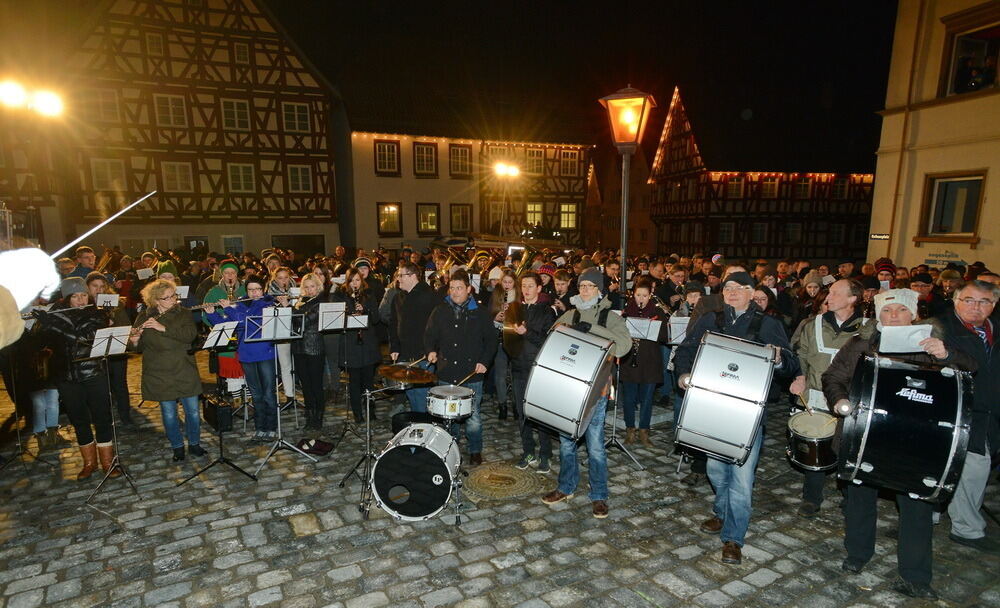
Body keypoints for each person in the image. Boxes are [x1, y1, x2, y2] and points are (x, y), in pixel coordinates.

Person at [822, 288, 975, 599]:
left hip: (916, 442)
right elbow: (833, 377)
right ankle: (858, 553)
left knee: (917, 508)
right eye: (887, 311)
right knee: (859, 499)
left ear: (913, 314)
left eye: (900, 311)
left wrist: (946, 355)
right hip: (865, 434)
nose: (893, 317)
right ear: (878, 315)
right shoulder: (862, 343)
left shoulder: (931, 344)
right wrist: (839, 402)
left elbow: (970, 370)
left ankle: (915, 575)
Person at [674, 271, 798, 565]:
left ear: (752, 292)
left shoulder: (768, 324)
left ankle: (733, 538)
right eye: (727, 287)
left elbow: (792, 363)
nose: (731, 292)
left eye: (739, 288)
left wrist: (780, 358)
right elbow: (686, 351)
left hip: (749, 413)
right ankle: (722, 512)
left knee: (741, 479)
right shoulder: (710, 319)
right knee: (716, 471)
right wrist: (682, 375)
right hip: (712, 406)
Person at [541, 267, 631, 519]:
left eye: (590, 286)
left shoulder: (610, 317)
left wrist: (591, 328)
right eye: (581, 286)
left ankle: (599, 494)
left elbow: (623, 347)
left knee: (595, 447)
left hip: (596, 391)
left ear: (599, 290)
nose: (585, 290)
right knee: (567, 444)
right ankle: (565, 487)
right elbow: (551, 340)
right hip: (569, 388)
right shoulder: (570, 313)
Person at [788, 279, 873, 517]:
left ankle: (850, 497)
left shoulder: (869, 328)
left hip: (851, 400)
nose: (828, 297)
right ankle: (811, 497)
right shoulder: (811, 324)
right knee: (815, 447)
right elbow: (801, 355)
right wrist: (799, 376)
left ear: (853, 298)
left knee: (849, 448)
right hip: (815, 395)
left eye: (836, 293)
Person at [936, 280, 1000, 554]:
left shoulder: (995, 331)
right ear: (955, 300)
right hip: (953, 410)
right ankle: (954, 524)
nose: (976, 307)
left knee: (975, 471)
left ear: (994, 305)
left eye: (984, 302)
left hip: (988, 414)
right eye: (969, 300)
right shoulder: (940, 328)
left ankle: (965, 526)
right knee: (944, 466)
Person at [34, 278, 117, 479]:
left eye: (83, 295)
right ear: (66, 298)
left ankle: (108, 462)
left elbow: (83, 337)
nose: (80, 300)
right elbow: (42, 343)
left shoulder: (97, 313)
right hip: (66, 376)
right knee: (79, 420)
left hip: (93, 373)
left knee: (101, 417)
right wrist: (42, 325)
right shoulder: (55, 316)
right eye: (75, 296)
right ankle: (89, 463)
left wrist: (53, 325)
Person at [424, 269, 497, 466]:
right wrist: (430, 350)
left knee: (473, 417)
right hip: (447, 371)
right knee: (449, 416)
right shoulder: (439, 311)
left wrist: (484, 361)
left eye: (459, 288)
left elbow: (491, 340)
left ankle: (475, 449)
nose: (455, 292)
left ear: (469, 289)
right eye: (452, 288)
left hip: (472, 374)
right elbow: (430, 335)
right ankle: (451, 447)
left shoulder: (480, 312)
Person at [130, 279, 205, 462]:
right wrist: (134, 340)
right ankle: (177, 446)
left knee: (193, 411)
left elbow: (190, 335)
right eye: (167, 297)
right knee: (169, 412)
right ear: (156, 301)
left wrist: (163, 327)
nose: (173, 300)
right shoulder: (144, 316)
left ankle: (194, 443)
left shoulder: (183, 313)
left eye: (174, 295)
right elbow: (138, 349)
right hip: (158, 371)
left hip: (183, 367)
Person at [204, 276, 285, 442]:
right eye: (251, 289)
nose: (254, 293)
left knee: (268, 393)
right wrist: (212, 314)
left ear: (263, 290)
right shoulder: (239, 304)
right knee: (255, 394)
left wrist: (229, 309)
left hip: (265, 353)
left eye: (258, 289)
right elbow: (227, 325)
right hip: (246, 355)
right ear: (246, 290)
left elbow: (248, 322)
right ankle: (260, 427)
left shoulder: (268, 304)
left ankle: (272, 427)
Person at [507, 271, 556, 472]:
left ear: (539, 288)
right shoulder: (515, 309)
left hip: (538, 368)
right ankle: (528, 450)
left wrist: (527, 332)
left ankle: (546, 453)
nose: (526, 290)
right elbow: (508, 339)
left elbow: (548, 340)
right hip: (518, 366)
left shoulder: (547, 311)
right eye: (523, 286)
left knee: (540, 413)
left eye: (530, 286)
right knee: (522, 412)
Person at [619, 279, 668, 446]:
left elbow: (664, 338)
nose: (641, 298)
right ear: (633, 295)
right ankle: (630, 430)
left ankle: (644, 432)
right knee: (629, 398)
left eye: (645, 295)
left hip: (650, 362)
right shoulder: (627, 312)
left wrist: (652, 328)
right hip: (629, 361)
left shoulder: (657, 312)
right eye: (638, 295)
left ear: (650, 296)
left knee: (647, 399)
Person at [389, 262, 438, 413]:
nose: (398, 279)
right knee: (410, 392)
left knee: (422, 394)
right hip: (405, 353)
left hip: (422, 354)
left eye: (401, 275)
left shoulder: (428, 296)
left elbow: (436, 327)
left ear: (413, 276)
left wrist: (431, 349)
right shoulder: (398, 297)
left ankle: (424, 426)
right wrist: (395, 347)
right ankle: (418, 423)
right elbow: (393, 324)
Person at [338, 268, 381, 423]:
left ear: (361, 281)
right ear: (347, 282)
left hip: (367, 343)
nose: (355, 284)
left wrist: (366, 309)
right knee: (354, 381)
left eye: (357, 280)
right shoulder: (342, 297)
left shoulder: (369, 295)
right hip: (351, 344)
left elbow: (376, 319)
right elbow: (338, 321)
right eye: (352, 281)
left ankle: (371, 410)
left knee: (369, 380)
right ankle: (357, 413)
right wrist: (349, 313)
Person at [290, 273, 326, 432]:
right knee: (305, 384)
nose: (310, 290)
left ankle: (318, 417)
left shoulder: (320, 302)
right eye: (307, 287)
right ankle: (309, 414)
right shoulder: (300, 302)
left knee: (316, 384)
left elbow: (303, 320)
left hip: (314, 347)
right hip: (298, 348)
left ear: (318, 287)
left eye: (313, 286)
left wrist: (289, 308)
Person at [488, 268, 518, 419]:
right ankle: (502, 406)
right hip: (500, 337)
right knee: (500, 374)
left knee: (514, 374)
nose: (507, 285)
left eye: (510, 282)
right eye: (504, 282)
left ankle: (516, 404)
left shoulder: (520, 295)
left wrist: (512, 313)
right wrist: (495, 317)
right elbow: (488, 314)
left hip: (515, 339)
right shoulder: (496, 294)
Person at [267, 267, 298, 408]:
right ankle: (289, 396)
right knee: (285, 364)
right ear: (275, 278)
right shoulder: (269, 293)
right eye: (280, 278)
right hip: (281, 332)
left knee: (296, 364)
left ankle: (298, 390)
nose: (283, 281)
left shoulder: (297, 290)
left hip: (296, 330)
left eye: (286, 277)